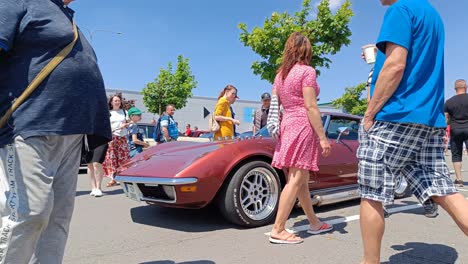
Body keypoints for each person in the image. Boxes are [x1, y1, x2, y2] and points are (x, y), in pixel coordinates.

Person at [0, 0, 112, 262]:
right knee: (29, 213)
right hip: (29, 126)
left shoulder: (68, 18)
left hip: (73, 131)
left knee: (58, 218)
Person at [360, 1, 468, 263]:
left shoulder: (399, 10)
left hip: (396, 116)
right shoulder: (433, 15)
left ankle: (369, 261)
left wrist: (370, 112)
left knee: (372, 194)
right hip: (429, 119)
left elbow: (396, 65)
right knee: (444, 190)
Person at [268, 32, 332, 244]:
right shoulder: (307, 72)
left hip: (287, 124)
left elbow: (279, 102)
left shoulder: (280, 75)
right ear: (306, 50)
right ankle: (278, 229)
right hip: (302, 124)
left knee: (300, 180)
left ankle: (314, 223)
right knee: (296, 179)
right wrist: (322, 137)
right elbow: (311, 106)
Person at [444, 79, 468, 187]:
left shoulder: (449, 102)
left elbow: (446, 118)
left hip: (455, 130)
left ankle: (459, 180)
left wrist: (445, 131)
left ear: (455, 89)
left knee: (456, 154)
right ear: (465, 87)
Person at [103, 94, 130, 187]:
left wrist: (126, 125)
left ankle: (122, 177)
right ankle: (113, 178)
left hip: (122, 137)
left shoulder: (124, 112)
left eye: (118, 100)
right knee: (112, 158)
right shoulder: (108, 112)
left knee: (123, 158)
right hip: (112, 137)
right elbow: (105, 126)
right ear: (111, 102)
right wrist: (117, 127)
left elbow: (129, 123)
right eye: (115, 101)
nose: (117, 102)